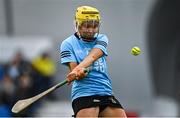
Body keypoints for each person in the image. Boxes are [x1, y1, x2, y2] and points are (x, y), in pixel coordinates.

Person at [60, 5, 127, 117]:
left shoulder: (102, 38)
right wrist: (79, 73)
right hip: (84, 93)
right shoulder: (67, 44)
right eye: (86, 26)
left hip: (106, 91)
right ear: (77, 25)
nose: (91, 30)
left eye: (95, 26)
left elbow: (92, 57)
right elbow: (74, 71)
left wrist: (78, 69)